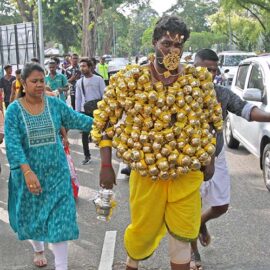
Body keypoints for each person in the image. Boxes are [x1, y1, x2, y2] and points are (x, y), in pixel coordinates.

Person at [91, 16, 223, 270]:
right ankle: (132, 263)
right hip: (146, 173)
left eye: (178, 47)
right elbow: (105, 122)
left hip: (186, 174)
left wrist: (210, 158)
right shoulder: (130, 80)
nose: (172, 51)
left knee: (182, 234)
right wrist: (106, 165)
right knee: (143, 231)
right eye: (166, 44)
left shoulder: (198, 81)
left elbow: (213, 121)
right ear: (154, 42)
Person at [4, 62, 93, 270]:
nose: (39, 85)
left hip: (57, 174)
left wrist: (105, 123)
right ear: (23, 84)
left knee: (61, 219)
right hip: (30, 175)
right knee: (35, 216)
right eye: (34, 81)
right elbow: (13, 144)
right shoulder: (14, 111)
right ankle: (38, 249)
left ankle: (61, 266)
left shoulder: (54, 104)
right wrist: (26, 172)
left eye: (42, 81)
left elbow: (77, 119)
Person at [190, 48, 270, 270]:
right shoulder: (181, 94)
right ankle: (193, 253)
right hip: (188, 164)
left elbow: (246, 109)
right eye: (206, 69)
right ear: (194, 68)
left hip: (217, 157)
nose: (211, 74)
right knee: (189, 209)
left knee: (221, 206)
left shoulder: (221, 93)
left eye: (215, 70)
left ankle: (200, 224)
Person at [76, 58, 105, 165]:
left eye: (84, 66)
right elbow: (78, 99)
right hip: (86, 111)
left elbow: (104, 95)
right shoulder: (79, 82)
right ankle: (87, 156)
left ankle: (105, 156)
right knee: (85, 134)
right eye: (81, 66)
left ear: (90, 67)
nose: (82, 68)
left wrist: (105, 110)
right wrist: (77, 113)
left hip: (99, 110)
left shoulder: (98, 79)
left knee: (102, 133)